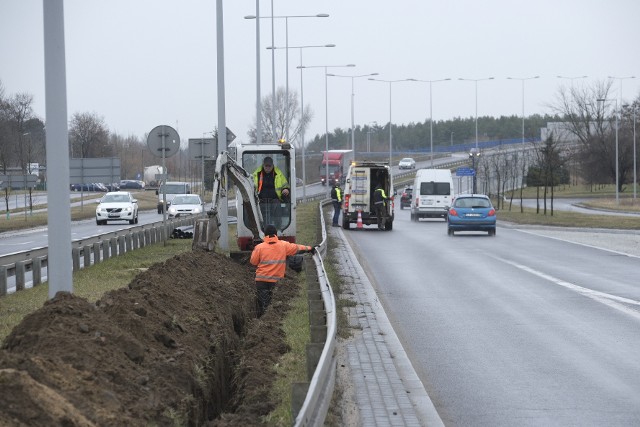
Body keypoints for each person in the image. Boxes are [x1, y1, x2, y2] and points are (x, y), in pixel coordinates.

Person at [250, 224, 315, 317]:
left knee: (263, 303)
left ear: (265, 235)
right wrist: (310, 248)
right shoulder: (283, 245)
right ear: (276, 234)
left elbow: (253, 262)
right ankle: (269, 319)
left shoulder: (259, 247)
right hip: (276, 281)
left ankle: (262, 319)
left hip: (261, 281)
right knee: (275, 305)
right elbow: (297, 248)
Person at [253, 156, 290, 228]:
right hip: (261, 201)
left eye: (269, 166)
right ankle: (262, 231)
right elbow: (252, 186)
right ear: (263, 165)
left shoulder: (278, 174)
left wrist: (286, 189)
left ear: (272, 165)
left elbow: (285, 185)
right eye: (266, 166)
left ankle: (278, 229)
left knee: (277, 215)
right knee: (261, 218)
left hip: (275, 200)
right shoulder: (256, 174)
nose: (267, 168)